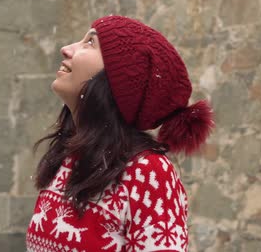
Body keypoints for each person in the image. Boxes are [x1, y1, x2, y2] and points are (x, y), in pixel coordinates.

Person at [26, 15, 214, 252]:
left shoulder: (148, 173)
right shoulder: (70, 155)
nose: (66, 49)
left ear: (118, 81)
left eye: (90, 43)